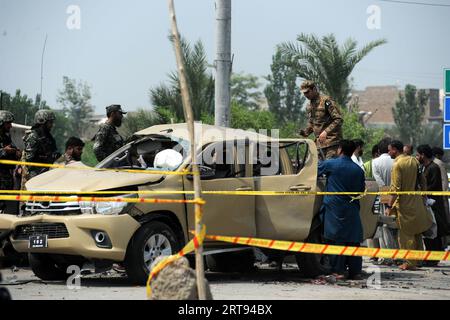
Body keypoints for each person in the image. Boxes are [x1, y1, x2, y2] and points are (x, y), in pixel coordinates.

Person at [318, 139, 365, 279]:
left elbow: (314, 172)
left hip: (335, 207)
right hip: (351, 207)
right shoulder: (358, 170)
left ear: (340, 150)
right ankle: (355, 271)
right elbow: (360, 191)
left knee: (336, 238)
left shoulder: (331, 164)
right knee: (353, 239)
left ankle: (337, 271)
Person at [385, 140, 432, 270]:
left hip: (405, 204)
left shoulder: (397, 164)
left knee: (406, 234)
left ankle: (409, 263)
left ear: (395, 149)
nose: (389, 153)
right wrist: (424, 196)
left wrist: (389, 206)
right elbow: (423, 180)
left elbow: (395, 189)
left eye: (390, 150)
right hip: (417, 202)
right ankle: (418, 260)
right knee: (417, 232)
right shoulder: (414, 161)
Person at [416, 144, 450, 263]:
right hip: (428, 204)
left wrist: (421, 189)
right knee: (429, 232)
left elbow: (434, 185)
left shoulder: (433, 167)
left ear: (423, 155)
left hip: (434, 204)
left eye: (418, 154)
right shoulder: (425, 167)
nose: (417, 157)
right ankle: (430, 257)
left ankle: (433, 259)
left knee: (434, 233)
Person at [298, 80, 343, 160]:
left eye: (307, 92)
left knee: (330, 168)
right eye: (304, 93)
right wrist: (305, 132)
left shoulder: (326, 101)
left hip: (332, 143)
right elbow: (312, 123)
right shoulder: (309, 106)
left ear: (314, 89)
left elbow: (338, 119)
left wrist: (325, 132)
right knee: (317, 169)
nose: (305, 95)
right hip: (319, 145)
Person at [372, 137, 399, 262]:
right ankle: (398, 254)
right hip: (397, 196)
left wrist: (385, 196)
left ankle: (387, 256)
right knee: (397, 226)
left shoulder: (375, 162)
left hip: (383, 196)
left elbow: (379, 182)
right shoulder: (396, 161)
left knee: (384, 226)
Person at [23, 110, 60, 180]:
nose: (52, 125)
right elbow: (28, 160)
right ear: (43, 122)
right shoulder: (33, 136)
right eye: (50, 122)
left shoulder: (48, 137)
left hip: (47, 172)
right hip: (35, 174)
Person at [0, 111, 22, 212]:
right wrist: (4, 151)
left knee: (3, 203)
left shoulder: (6, 136)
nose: (10, 125)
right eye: (8, 123)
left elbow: (13, 148)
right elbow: (4, 151)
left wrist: (16, 152)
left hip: (5, 176)